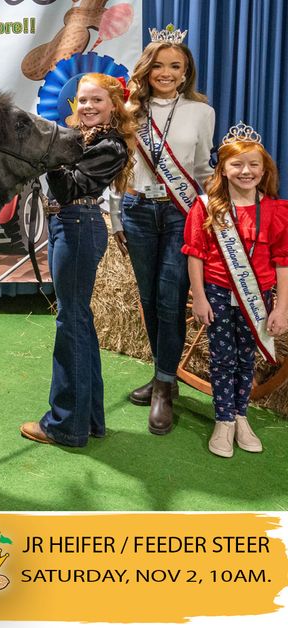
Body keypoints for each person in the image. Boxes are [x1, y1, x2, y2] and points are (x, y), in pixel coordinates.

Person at [21, 73, 136, 447]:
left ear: (113, 105)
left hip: (79, 225)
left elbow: (69, 187)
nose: (87, 106)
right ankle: (89, 420)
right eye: (82, 100)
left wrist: (51, 158)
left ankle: (65, 425)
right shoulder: (84, 139)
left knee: (70, 321)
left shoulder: (111, 146)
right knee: (79, 321)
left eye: (96, 100)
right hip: (65, 224)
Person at [113, 26, 215, 435]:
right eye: (159, 65)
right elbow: (117, 170)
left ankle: (163, 387)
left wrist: (214, 215)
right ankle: (163, 377)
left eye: (175, 65)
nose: (166, 72)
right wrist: (116, 216)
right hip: (137, 209)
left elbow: (205, 169)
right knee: (149, 298)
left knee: (171, 298)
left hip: (181, 214)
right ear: (147, 69)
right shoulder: (129, 112)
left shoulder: (201, 112)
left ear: (186, 69)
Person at [181, 123, 285, 457]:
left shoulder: (276, 211)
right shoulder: (207, 207)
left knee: (246, 359)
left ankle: (242, 416)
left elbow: (282, 261)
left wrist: (282, 307)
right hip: (217, 295)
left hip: (259, 298)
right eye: (237, 164)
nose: (246, 171)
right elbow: (195, 254)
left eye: (254, 164)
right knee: (222, 358)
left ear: (264, 169)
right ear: (223, 169)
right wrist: (198, 295)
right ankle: (223, 420)